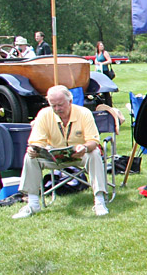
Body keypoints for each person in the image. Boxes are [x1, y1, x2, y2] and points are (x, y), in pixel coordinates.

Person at [13, 85, 108, 218]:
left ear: (70, 101)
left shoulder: (84, 113)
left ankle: (99, 201)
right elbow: (36, 141)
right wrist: (34, 149)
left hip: (79, 154)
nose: (57, 109)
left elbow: (93, 140)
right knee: (30, 157)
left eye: (60, 105)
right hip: (54, 156)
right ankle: (33, 203)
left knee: (94, 153)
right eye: (53, 106)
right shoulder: (44, 114)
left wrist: (84, 148)